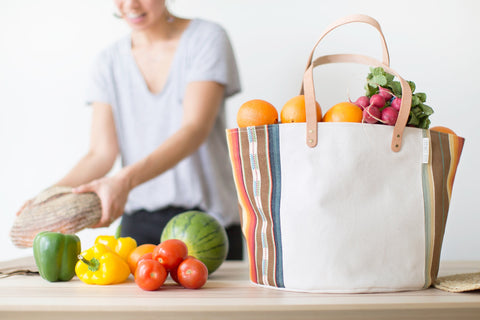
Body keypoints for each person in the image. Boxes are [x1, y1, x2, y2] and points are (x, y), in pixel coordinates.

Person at [19, 0, 243, 259]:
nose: (131, 4)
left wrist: (123, 180)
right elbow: (100, 153)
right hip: (139, 227)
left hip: (207, 224)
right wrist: (49, 196)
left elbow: (195, 129)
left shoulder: (207, 38)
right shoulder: (108, 62)